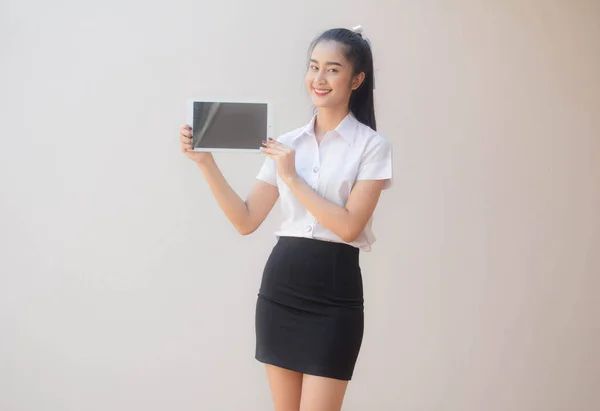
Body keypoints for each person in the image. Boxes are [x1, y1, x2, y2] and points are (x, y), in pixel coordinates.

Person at [178, 25, 392, 411]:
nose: (319, 78)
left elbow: (348, 227)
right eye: (313, 67)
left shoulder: (372, 147)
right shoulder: (286, 143)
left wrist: (291, 178)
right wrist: (205, 163)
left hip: (335, 292)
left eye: (332, 69)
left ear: (357, 79)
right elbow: (246, 220)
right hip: (282, 287)